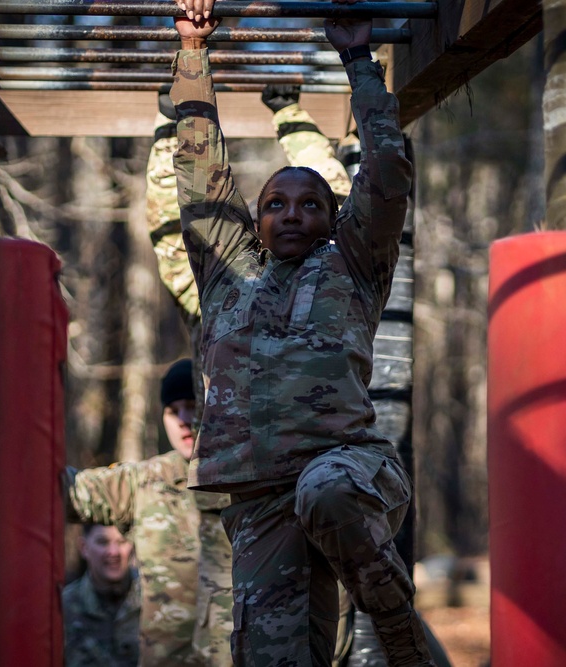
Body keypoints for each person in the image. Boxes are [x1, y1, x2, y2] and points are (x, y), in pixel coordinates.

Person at [168, 0, 436, 663]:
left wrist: (357, 62)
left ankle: (400, 633)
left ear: (333, 216)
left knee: (325, 490)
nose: (292, 214)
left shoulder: (352, 263)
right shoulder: (229, 279)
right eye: (275, 204)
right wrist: (194, 53)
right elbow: (199, 175)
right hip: (258, 501)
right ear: (255, 223)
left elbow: (389, 170)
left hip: (347, 473)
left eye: (310, 203)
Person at [66, 359, 203, 666]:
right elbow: (65, 491)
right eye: (172, 410)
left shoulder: (254, 476)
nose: (183, 419)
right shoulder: (146, 481)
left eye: (192, 405)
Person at [63, 524, 142, 667]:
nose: (113, 552)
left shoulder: (152, 602)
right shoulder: (65, 607)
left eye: (122, 542)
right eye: (103, 542)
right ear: (84, 547)